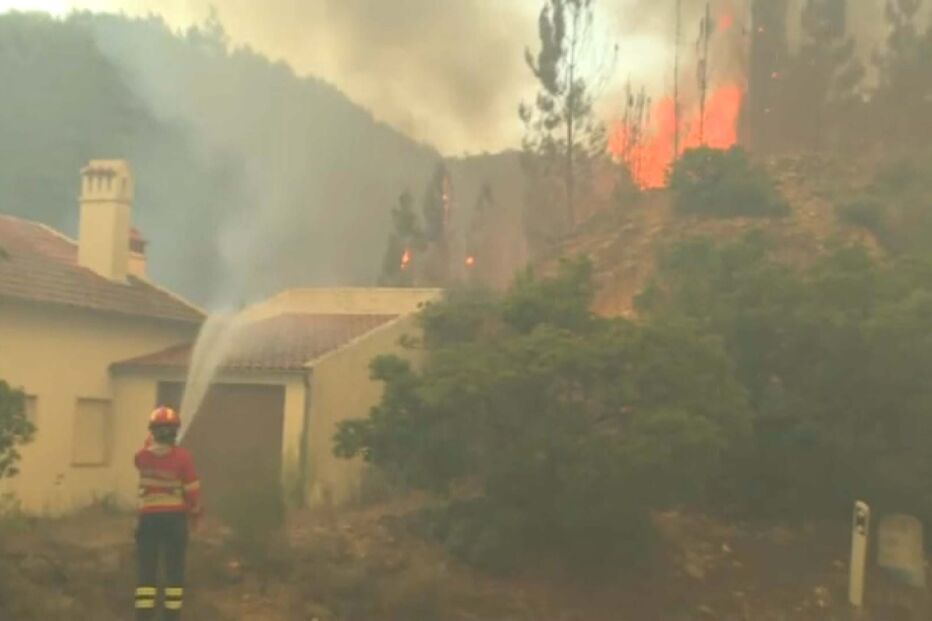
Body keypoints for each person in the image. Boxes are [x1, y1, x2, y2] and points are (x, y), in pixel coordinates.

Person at [133, 406, 202, 620]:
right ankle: (171, 617)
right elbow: (192, 490)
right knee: (174, 571)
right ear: (175, 431)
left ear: (152, 431)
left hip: (148, 520)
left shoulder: (142, 457)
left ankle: (144, 617)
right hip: (175, 521)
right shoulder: (184, 457)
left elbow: (146, 449)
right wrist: (196, 513)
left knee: (146, 571)